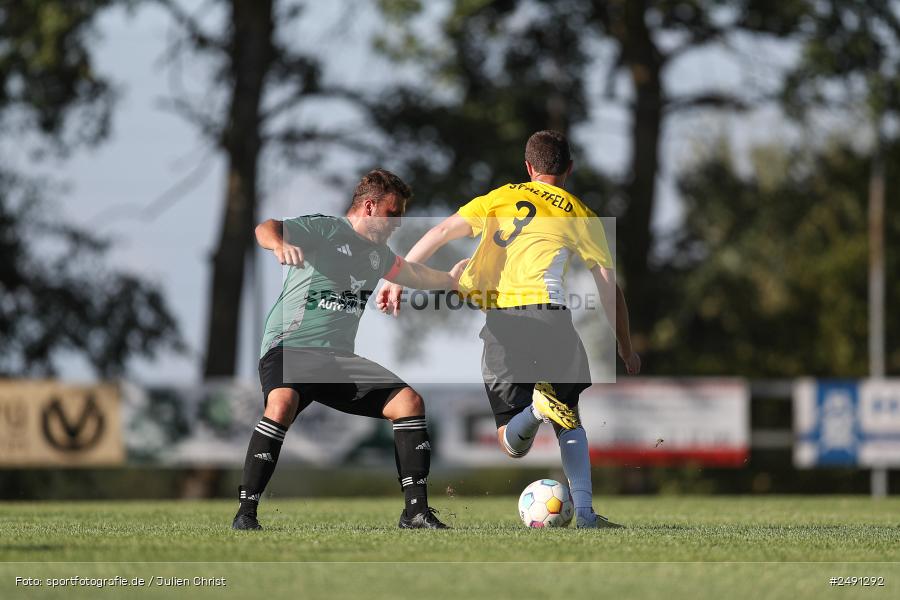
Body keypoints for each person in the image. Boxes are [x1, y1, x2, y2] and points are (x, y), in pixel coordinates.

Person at [377, 130, 641, 528]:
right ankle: (585, 512)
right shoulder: (580, 213)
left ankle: (536, 408)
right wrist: (624, 344)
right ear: (568, 169)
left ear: (529, 168)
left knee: (510, 441)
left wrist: (396, 276)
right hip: (552, 316)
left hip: (504, 319)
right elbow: (607, 283)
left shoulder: (499, 197)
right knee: (569, 416)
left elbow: (440, 232)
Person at [233, 169, 466, 531]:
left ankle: (415, 513)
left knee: (409, 403)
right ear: (370, 207)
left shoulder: (379, 256)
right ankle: (245, 515)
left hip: (337, 362)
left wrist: (450, 280)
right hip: (291, 347)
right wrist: (279, 245)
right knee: (280, 404)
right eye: (393, 214)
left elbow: (415, 274)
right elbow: (266, 227)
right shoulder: (325, 229)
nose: (397, 224)